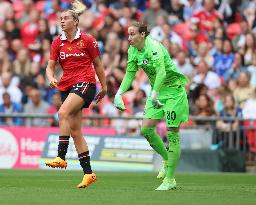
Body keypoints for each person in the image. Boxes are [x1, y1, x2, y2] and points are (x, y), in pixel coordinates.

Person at [114, 22, 189, 191]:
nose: (129, 38)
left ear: (142, 34)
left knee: (172, 132)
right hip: (157, 92)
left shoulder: (154, 47)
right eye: (128, 34)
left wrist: (154, 93)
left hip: (173, 93)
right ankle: (166, 159)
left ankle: (170, 179)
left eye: (132, 34)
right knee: (146, 129)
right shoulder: (133, 50)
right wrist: (119, 93)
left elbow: (161, 72)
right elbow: (130, 74)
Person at [45, 0, 107, 189]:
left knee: (62, 113)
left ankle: (61, 157)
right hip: (66, 86)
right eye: (60, 19)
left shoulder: (88, 40)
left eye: (65, 19)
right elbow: (50, 67)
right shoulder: (57, 42)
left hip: (86, 82)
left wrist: (103, 87)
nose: (62, 21)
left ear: (75, 22)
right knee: (75, 130)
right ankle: (88, 173)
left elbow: (98, 65)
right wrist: (50, 77)